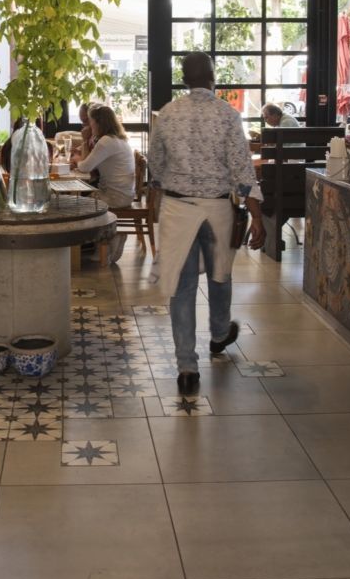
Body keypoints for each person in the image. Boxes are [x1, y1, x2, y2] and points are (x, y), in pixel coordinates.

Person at [148, 52, 266, 397]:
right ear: (213, 77)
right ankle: (219, 333)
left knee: (182, 287)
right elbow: (243, 171)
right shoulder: (227, 114)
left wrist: (165, 188)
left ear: (184, 78)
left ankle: (187, 368)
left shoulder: (167, 114)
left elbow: (155, 165)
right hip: (217, 209)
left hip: (177, 209)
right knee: (220, 275)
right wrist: (257, 217)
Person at [75, 104, 135, 263]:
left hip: (114, 196)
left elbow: (85, 167)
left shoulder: (106, 142)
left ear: (98, 123)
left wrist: (83, 141)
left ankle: (103, 246)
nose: (89, 126)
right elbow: (87, 165)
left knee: (78, 203)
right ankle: (99, 245)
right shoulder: (117, 139)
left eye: (91, 122)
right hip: (125, 194)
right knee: (83, 198)